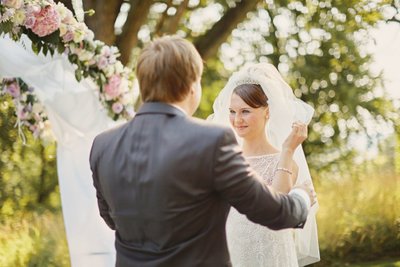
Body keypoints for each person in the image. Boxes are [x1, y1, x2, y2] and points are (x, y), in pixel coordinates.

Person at [89, 36, 316, 267]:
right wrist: (302, 196)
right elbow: (274, 212)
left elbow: (111, 218)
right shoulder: (212, 141)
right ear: (191, 87)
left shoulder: (103, 145)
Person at [210, 62, 320, 266]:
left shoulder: (285, 162)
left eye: (245, 111)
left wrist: (288, 150)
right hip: (233, 255)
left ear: (267, 111)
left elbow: (276, 206)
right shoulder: (225, 161)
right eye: (232, 111)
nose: (236, 119)